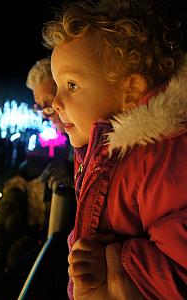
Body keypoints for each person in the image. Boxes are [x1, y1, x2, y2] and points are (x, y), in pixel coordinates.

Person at [42, 0, 187, 299]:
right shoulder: (107, 154)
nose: (56, 102)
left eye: (71, 85)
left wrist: (112, 262)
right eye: (57, 86)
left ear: (130, 90)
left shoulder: (162, 157)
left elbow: (180, 269)